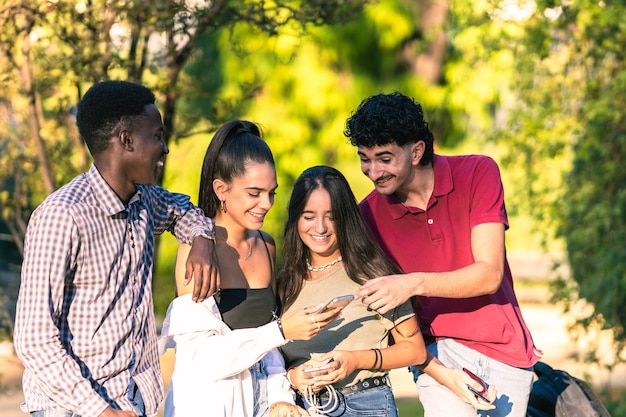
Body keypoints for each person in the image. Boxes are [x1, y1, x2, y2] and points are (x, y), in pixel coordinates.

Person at [13, 80, 219, 417]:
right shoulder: (62, 215)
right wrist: (102, 412)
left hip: (132, 399)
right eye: (157, 135)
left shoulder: (144, 202)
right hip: (73, 408)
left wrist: (201, 239)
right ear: (126, 139)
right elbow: (34, 339)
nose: (164, 148)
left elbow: (183, 210)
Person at [344, 92, 541, 417]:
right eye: (364, 158)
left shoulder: (478, 173)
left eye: (384, 158)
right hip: (437, 354)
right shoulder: (367, 217)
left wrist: (410, 283)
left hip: (505, 349)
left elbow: (489, 274)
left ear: (417, 151)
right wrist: (434, 369)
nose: (373, 171)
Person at [277, 166, 496, 417]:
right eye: (308, 216)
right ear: (295, 219)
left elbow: (413, 349)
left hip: (364, 406)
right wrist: (292, 377)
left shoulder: (371, 274)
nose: (320, 227)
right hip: (299, 407)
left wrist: (354, 360)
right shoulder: (284, 285)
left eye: (331, 216)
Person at [159, 120, 341, 417]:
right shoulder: (196, 253)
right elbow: (204, 359)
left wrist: (280, 397)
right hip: (208, 406)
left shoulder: (266, 246)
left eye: (272, 193)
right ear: (221, 189)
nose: (266, 204)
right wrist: (282, 330)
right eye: (254, 193)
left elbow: (267, 350)